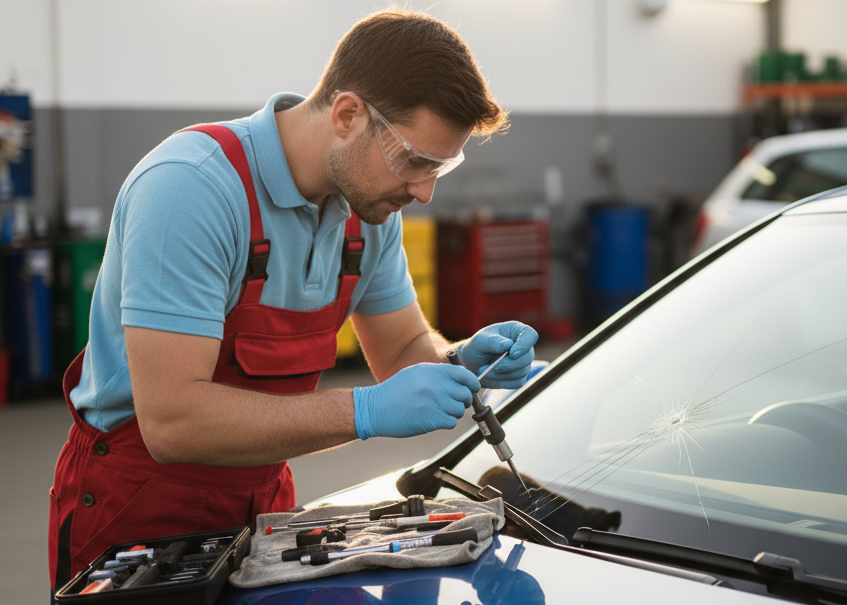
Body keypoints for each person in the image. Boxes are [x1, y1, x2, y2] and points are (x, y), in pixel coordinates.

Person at [48, 7, 538, 592]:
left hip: (265, 507)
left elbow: (403, 349)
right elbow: (173, 422)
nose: (425, 192)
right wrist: (364, 411)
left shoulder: (369, 214)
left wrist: (460, 360)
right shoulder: (191, 188)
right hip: (139, 513)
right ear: (348, 115)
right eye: (415, 161)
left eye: (441, 168)